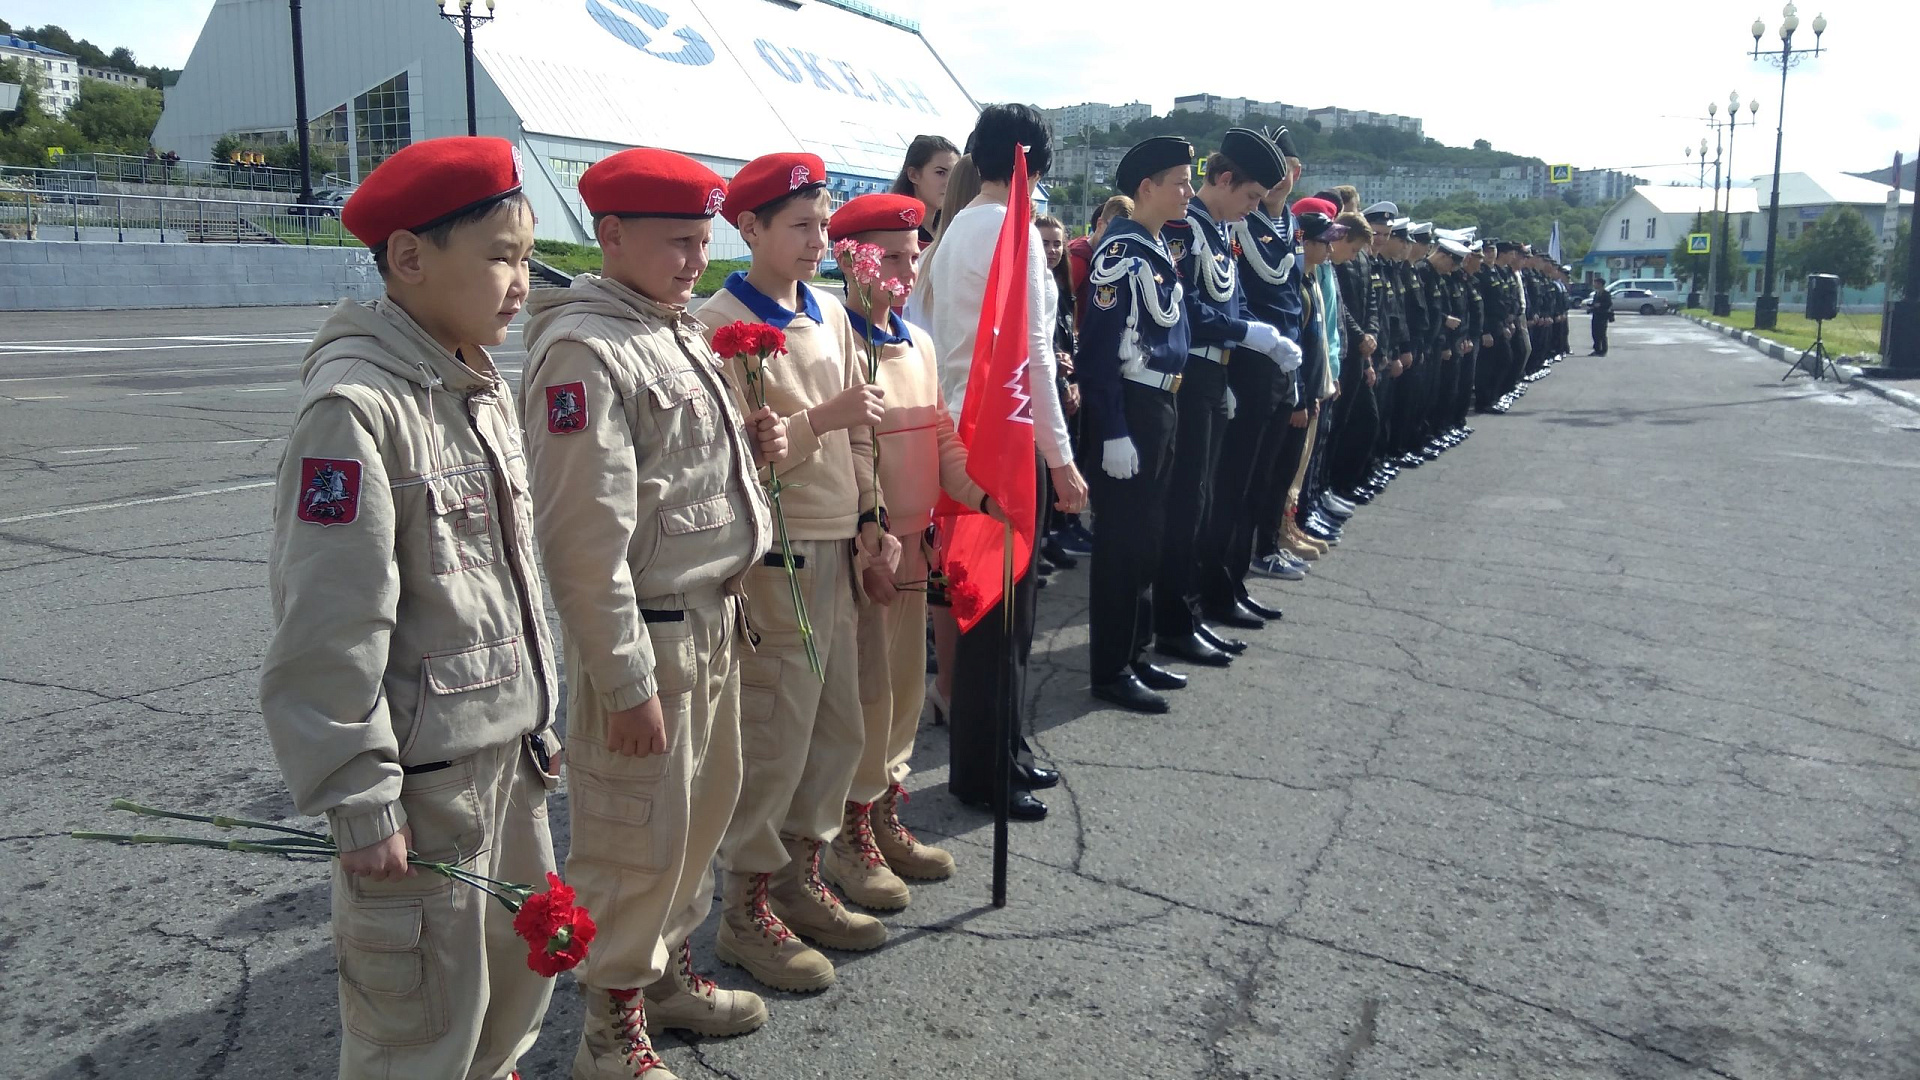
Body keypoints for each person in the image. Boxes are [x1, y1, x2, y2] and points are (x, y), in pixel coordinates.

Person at [259, 136, 563, 1080]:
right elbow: (329, 626)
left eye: (527, 256)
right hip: (427, 792)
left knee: (506, 1005)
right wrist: (359, 797)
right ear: (408, 258)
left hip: (506, 761)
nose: (522, 282)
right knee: (417, 1036)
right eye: (500, 257)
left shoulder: (471, 382)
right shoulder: (355, 411)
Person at [518, 147, 789, 1077]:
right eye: (676, 240)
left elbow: (674, 482)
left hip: (712, 620)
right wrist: (624, 679)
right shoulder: (586, 350)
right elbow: (584, 544)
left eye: (702, 239)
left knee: (697, 822)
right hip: (655, 636)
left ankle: (668, 974)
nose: (694, 259)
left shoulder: (666, 329)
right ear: (611, 235)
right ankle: (609, 1030)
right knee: (632, 842)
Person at [697, 151, 896, 988]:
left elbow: (865, 430)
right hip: (777, 555)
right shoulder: (718, 324)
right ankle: (744, 910)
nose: (819, 239)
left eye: (823, 223)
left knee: (838, 726)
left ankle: (797, 878)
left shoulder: (831, 313)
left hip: (836, 543)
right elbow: (733, 464)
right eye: (801, 225)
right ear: (748, 230)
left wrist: (873, 515)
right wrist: (822, 420)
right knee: (774, 736)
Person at [913, 103, 1087, 821]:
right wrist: (1061, 459)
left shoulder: (954, 233)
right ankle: (985, 770)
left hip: (962, 434)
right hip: (1002, 441)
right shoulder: (1012, 234)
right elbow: (1034, 359)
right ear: (1036, 166)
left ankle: (1001, 752)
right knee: (998, 617)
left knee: (992, 616)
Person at [828, 192, 980, 902]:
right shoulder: (838, 342)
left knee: (905, 693)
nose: (907, 267)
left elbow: (941, 436)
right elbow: (853, 452)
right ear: (848, 257)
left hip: (916, 547)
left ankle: (886, 811)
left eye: (913, 253)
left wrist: (982, 496)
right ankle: (848, 833)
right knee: (867, 695)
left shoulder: (912, 342)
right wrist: (873, 532)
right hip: (868, 555)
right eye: (891, 255)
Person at [1154, 128, 1289, 666]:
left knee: (1203, 501)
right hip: (1191, 377)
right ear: (1227, 179)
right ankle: (1173, 622)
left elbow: (1231, 304)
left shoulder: (1219, 231)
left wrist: (1260, 332)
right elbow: (1185, 309)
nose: (1253, 208)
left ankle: (1189, 614)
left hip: (1215, 378)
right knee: (1186, 506)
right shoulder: (1186, 229)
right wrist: (1247, 334)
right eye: (1252, 197)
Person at [1080, 134, 1196, 714]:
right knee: (1123, 545)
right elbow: (1099, 354)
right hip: (1132, 407)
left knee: (1149, 538)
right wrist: (1112, 430)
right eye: (1179, 181)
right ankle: (1110, 667)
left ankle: (1137, 651)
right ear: (1146, 188)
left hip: (1162, 405)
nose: (1189, 191)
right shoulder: (1118, 254)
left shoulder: (1154, 247)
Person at [890, 134, 961, 247]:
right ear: (914, 175)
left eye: (954, 175)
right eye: (940, 173)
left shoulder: (954, 229)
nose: (949, 182)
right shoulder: (894, 231)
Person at [1589, 276, 1613, 355]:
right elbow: (1594, 303)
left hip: (1603, 316)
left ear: (1600, 284)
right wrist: (1591, 307)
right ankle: (1597, 349)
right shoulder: (1596, 293)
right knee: (1595, 333)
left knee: (1602, 334)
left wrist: (1600, 305)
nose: (1594, 285)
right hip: (1596, 316)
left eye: (1596, 283)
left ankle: (1603, 351)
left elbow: (1609, 304)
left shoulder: (1606, 293)